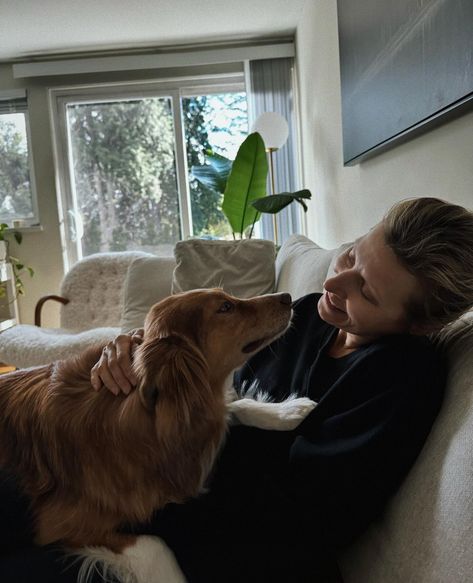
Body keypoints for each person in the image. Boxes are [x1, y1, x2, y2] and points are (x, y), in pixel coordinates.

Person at [1, 197, 473, 583]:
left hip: (218, 542)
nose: (335, 281)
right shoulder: (308, 315)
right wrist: (129, 351)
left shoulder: (402, 380)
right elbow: (201, 370)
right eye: (350, 256)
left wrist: (130, 494)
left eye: (366, 292)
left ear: (420, 323)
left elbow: (305, 517)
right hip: (143, 489)